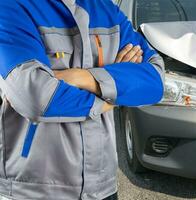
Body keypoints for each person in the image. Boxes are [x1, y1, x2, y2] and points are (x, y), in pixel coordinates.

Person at [0, 0, 164, 199]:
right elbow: (38, 98)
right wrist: (115, 91)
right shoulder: (12, 7)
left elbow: (155, 82)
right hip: (33, 189)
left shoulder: (107, 10)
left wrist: (82, 77)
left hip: (103, 188)